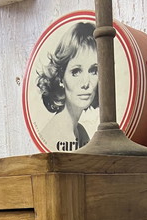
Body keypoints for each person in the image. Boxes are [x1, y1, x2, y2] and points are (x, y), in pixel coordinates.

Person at [36, 22, 99, 151]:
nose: (86, 83)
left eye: (93, 70)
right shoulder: (57, 135)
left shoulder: (80, 132)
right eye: (76, 71)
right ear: (60, 77)